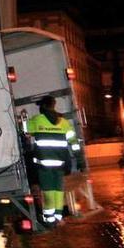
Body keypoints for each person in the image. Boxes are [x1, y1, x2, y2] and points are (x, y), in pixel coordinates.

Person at [25, 96, 79, 225]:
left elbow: (26, 131)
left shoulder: (37, 120)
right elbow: (74, 142)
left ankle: (49, 219)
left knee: (48, 191)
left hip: (44, 165)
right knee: (58, 190)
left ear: (43, 107)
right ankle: (58, 216)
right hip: (60, 164)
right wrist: (79, 159)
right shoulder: (64, 122)